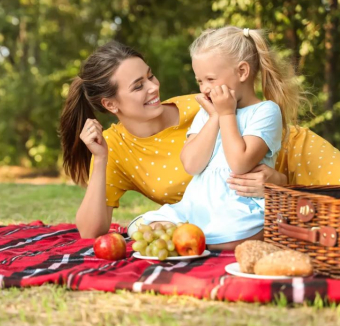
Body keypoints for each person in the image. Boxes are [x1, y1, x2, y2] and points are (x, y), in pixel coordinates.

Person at [58, 39, 340, 246]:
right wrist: (101, 160)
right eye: (138, 86)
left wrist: (278, 181)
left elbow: (254, 140)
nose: (154, 87)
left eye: (150, 76)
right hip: (231, 213)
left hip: (300, 160)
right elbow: (91, 232)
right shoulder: (115, 147)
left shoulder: (203, 105)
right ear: (110, 103)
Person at [136, 26, 308, 250]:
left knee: (231, 233)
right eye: (199, 81)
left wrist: (226, 114)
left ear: (242, 72)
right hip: (198, 204)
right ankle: (194, 239)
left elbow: (240, 163)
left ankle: (197, 241)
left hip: (239, 206)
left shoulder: (266, 111)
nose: (205, 88)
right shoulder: (207, 114)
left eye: (210, 79)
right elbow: (191, 164)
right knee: (148, 225)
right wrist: (215, 116)